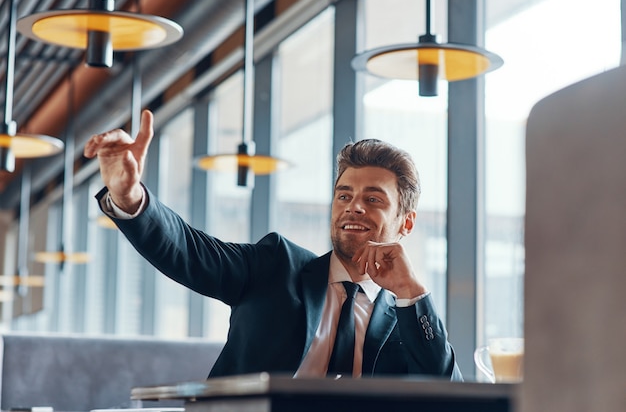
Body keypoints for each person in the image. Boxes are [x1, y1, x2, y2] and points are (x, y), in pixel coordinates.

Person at [84, 110, 462, 380]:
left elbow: (450, 395)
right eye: (344, 195)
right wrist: (131, 198)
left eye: (374, 199)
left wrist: (412, 293)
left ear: (406, 222)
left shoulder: (406, 316)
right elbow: (189, 251)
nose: (354, 206)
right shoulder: (276, 265)